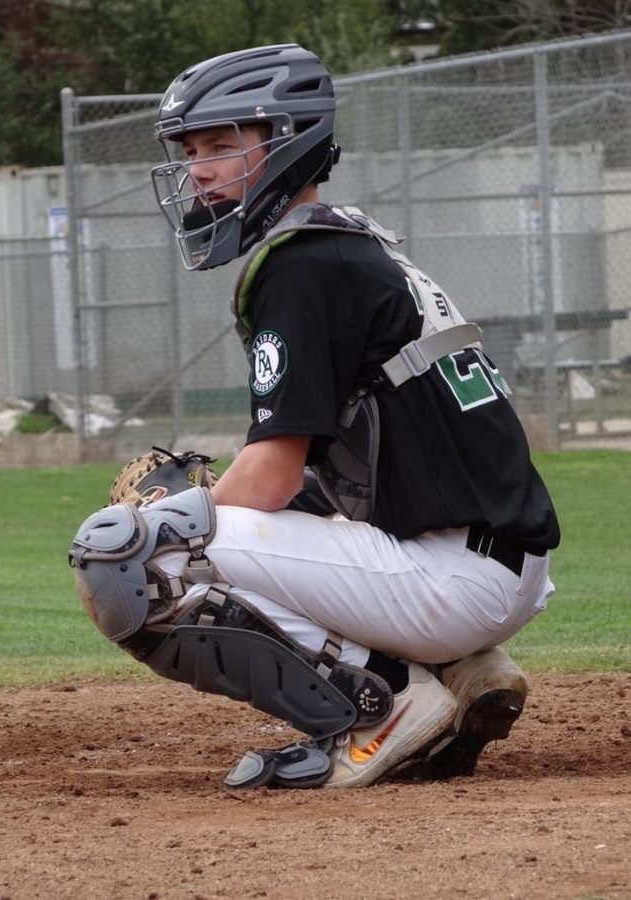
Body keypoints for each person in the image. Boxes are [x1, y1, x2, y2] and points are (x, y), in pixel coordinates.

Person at [71, 44, 560, 790]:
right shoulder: (349, 247)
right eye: (190, 150)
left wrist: (175, 511)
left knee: (127, 555)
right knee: (204, 522)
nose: (197, 169)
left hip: (448, 578)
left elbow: (268, 480)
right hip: (486, 563)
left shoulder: (302, 266)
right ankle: (461, 673)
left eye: (220, 146)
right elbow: (337, 465)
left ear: (286, 141)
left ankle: (384, 704)